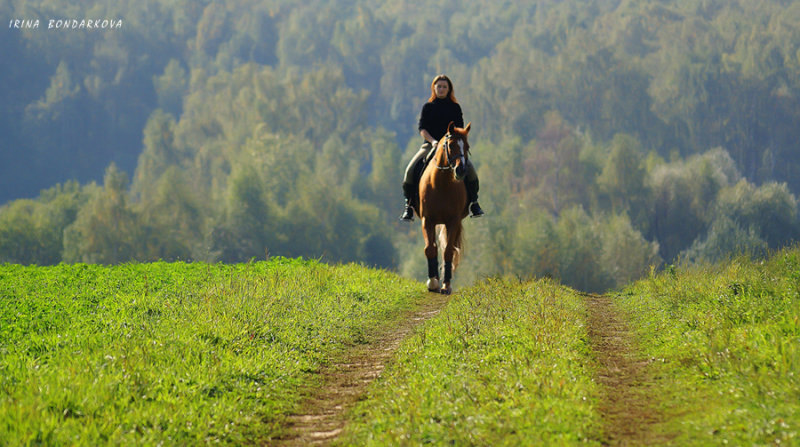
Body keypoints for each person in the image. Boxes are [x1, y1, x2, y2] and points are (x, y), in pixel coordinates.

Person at [400, 74, 484, 221]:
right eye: (439, 86)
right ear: (434, 88)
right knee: (409, 170)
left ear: (449, 89)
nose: (442, 89)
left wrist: (454, 142)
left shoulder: (455, 108)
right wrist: (433, 141)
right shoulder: (428, 107)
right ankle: (409, 206)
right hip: (431, 145)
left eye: (445, 86)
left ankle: (474, 204)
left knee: (471, 172)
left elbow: (459, 129)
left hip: (452, 147)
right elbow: (422, 129)